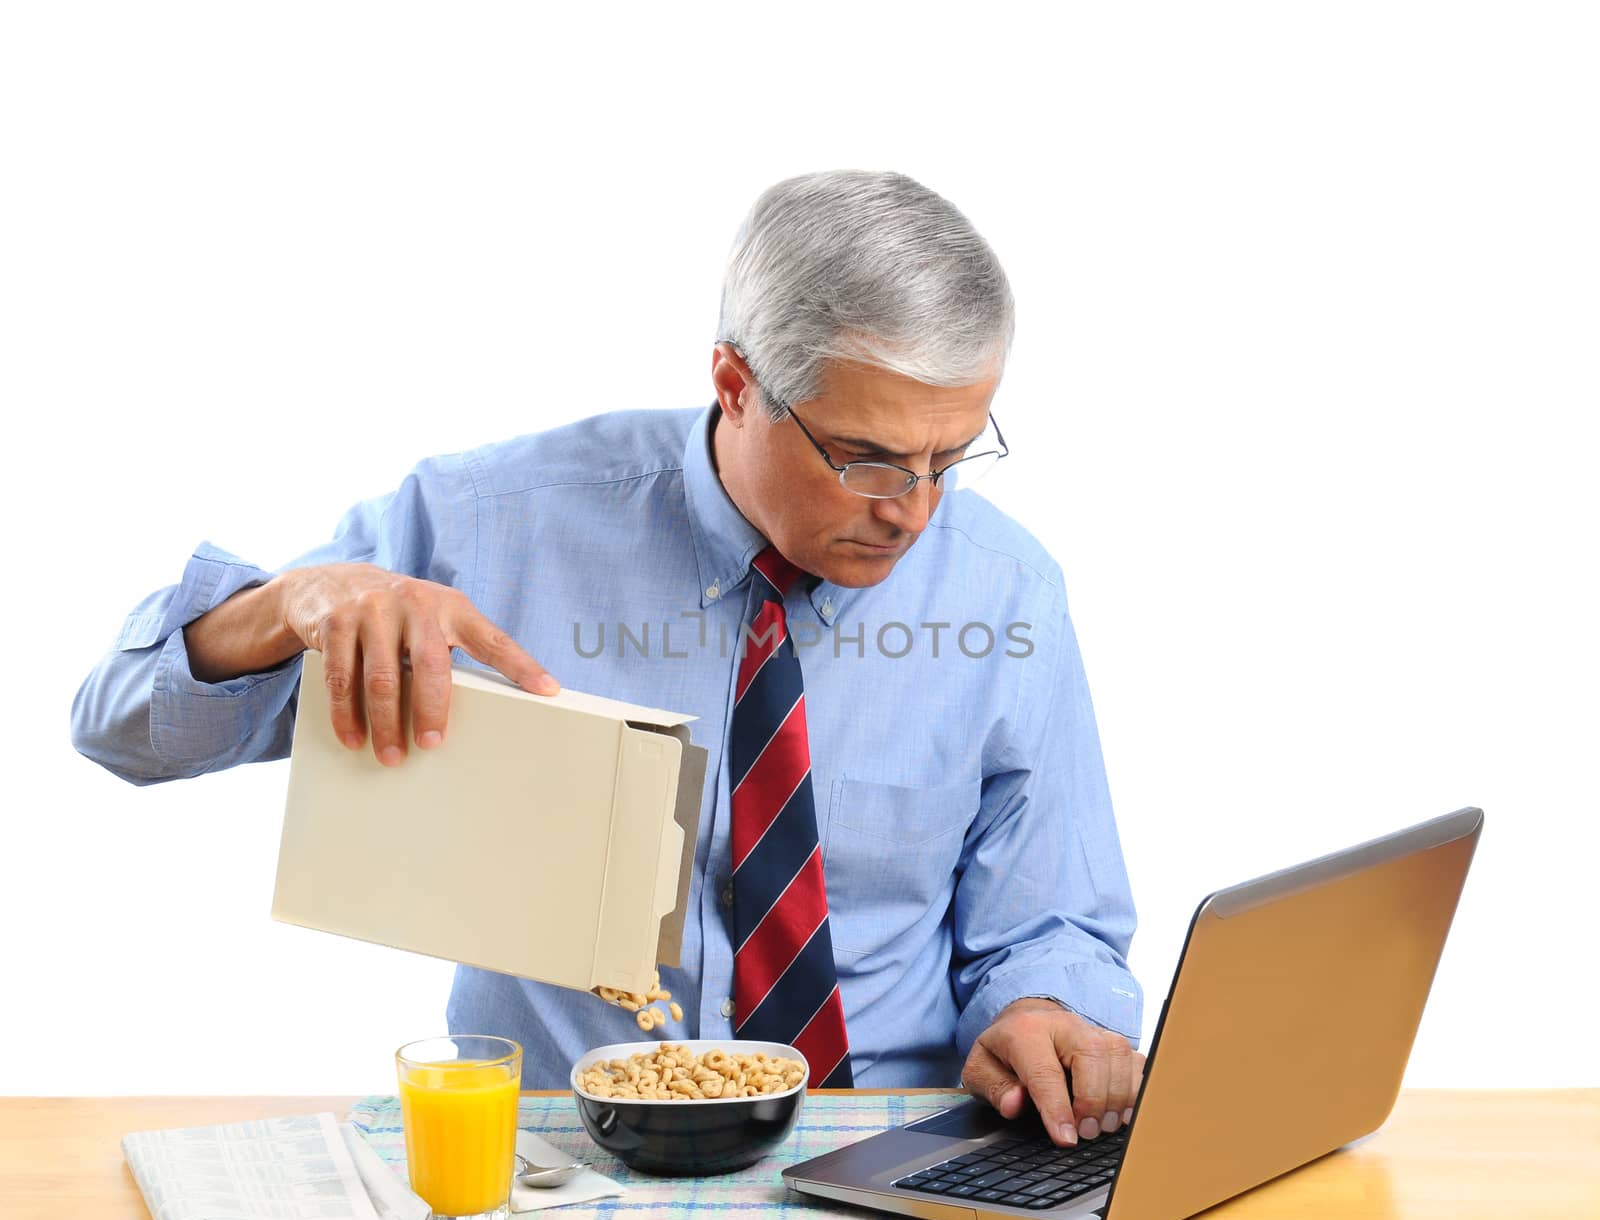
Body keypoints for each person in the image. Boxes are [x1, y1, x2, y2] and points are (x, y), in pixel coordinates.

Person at [72, 169, 1143, 1146]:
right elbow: (120, 726)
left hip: (894, 1146)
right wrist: (283, 606)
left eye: (948, 457)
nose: (912, 511)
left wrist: (1045, 1009)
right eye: (865, 458)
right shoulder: (485, 527)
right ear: (734, 382)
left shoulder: (1006, 592)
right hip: (561, 1154)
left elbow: (1048, 919)